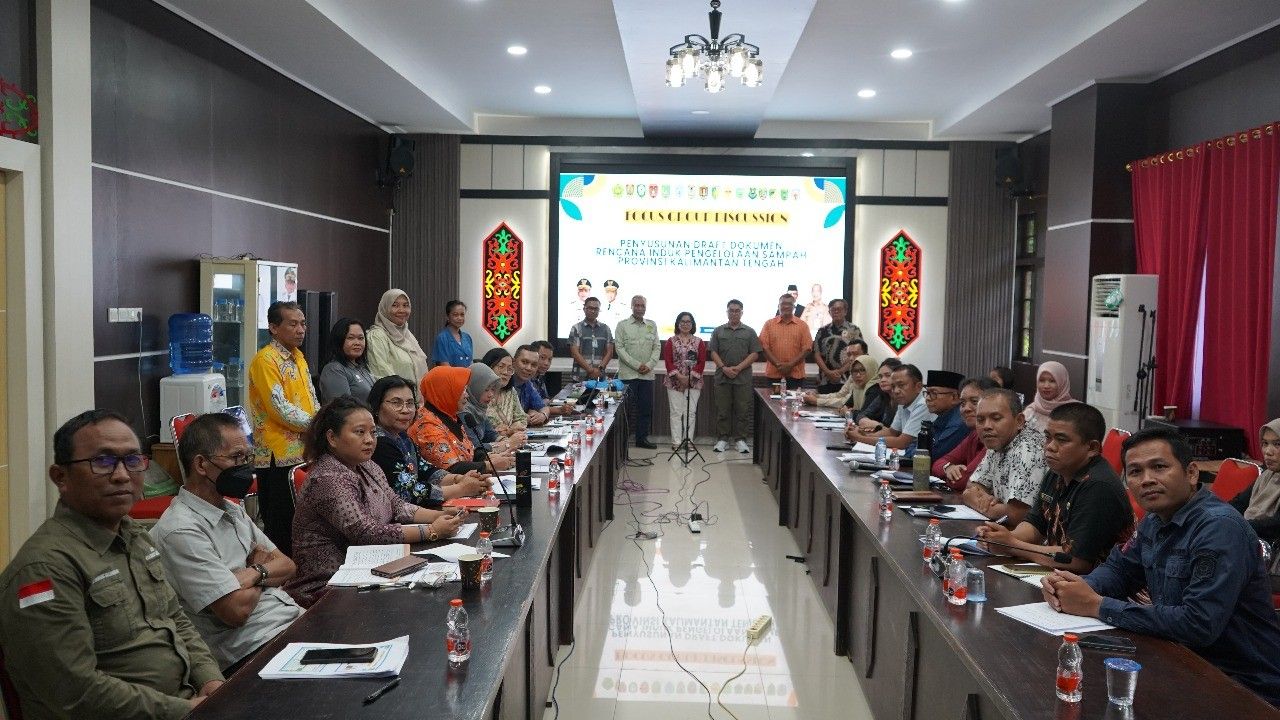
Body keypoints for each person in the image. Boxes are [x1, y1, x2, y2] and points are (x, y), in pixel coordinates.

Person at [0, 410, 224, 719]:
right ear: (61, 477)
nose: (121, 475)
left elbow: (175, 619)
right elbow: (74, 693)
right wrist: (182, 710)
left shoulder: (134, 536)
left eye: (132, 460)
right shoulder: (44, 568)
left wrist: (212, 683)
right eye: (102, 461)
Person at [1042, 426, 1280, 707]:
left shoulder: (1218, 528)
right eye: (1135, 472)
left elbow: (1198, 624)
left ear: (1191, 473)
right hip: (1181, 661)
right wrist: (1076, 588)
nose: (1147, 480)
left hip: (1242, 685)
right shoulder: (1156, 519)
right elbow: (1120, 570)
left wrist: (1098, 605)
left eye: (1159, 467)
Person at [150, 414, 302, 672]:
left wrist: (253, 573)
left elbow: (288, 566)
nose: (245, 467)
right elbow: (236, 611)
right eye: (236, 458)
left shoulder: (232, 510)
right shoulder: (181, 530)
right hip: (252, 648)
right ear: (201, 464)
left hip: (289, 620)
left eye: (246, 457)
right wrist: (261, 569)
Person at [285, 397, 465, 606]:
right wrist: (432, 531)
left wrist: (440, 515)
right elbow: (365, 532)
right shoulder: (327, 478)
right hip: (329, 584)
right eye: (360, 432)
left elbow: (396, 505)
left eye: (372, 432)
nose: (370, 440)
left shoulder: (367, 465)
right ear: (332, 438)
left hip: (373, 567)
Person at [976, 402, 1133, 572]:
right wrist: (1001, 537)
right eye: (1048, 437)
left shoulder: (1099, 486)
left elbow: (1076, 560)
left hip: (1098, 581)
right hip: (1061, 575)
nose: (1049, 446)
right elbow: (1035, 525)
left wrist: (1012, 546)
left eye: (1062, 440)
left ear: (1092, 448)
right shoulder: (1057, 472)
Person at [247, 300, 318, 556]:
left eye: (303, 324)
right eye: (293, 324)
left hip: (303, 447)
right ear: (274, 328)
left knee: (303, 518)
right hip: (277, 454)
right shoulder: (266, 360)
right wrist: (319, 425)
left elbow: (311, 398)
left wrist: (321, 419)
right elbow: (279, 408)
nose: (300, 329)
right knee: (281, 524)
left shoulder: (298, 357)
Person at [368, 375, 489, 509]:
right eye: (396, 403)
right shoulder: (379, 442)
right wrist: (461, 489)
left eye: (410, 403)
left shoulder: (402, 437)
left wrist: (459, 479)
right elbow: (409, 493)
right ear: (376, 407)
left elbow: (426, 470)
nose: (405, 410)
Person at [961, 389, 1046, 527]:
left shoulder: (1028, 449)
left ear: (1019, 421)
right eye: (980, 420)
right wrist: (986, 500)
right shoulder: (998, 441)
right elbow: (970, 489)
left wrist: (984, 504)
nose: (987, 426)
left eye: (996, 418)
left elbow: (1017, 515)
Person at [409, 366, 489, 473]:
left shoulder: (450, 416)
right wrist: (486, 466)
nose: (467, 395)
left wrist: (487, 457)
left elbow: (466, 454)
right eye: (462, 390)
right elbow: (452, 468)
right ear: (445, 391)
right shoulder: (427, 425)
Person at [708, 299, 762, 454]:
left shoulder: (750, 332)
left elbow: (755, 353)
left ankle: (741, 440)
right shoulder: (718, 331)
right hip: (722, 377)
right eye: (731, 310)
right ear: (727, 312)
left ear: (741, 312)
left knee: (742, 410)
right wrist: (724, 368)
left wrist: (738, 368)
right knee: (722, 410)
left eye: (737, 310)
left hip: (743, 378)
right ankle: (723, 439)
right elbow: (713, 352)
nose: (734, 313)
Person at [846, 364, 934, 457]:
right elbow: (892, 432)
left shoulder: (923, 404)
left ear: (918, 387)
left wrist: (859, 438)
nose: (896, 391)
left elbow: (902, 442)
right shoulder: (904, 401)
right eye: (893, 386)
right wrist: (862, 434)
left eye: (901, 385)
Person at [932, 377, 998, 491]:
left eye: (974, 402)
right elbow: (937, 464)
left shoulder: (994, 437)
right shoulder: (974, 435)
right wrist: (948, 468)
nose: (966, 409)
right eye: (962, 403)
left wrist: (951, 476)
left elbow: (962, 482)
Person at [614, 295, 661, 449]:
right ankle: (622, 441)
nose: (640, 308)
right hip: (628, 376)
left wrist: (649, 365)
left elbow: (657, 347)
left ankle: (641, 439)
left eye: (642, 306)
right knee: (625, 410)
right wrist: (636, 365)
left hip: (646, 375)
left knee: (645, 409)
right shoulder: (622, 325)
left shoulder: (652, 325)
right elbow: (619, 348)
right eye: (637, 305)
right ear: (632, 306)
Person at [1230, 418, 1280, 545]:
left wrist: (1238, 526)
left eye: (1277, 444)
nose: (1268, 452)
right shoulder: (1267, 475)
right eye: (1265, 443)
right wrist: (1217, 514)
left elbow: (1275, 525)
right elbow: (1239, 502)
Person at [459, 362, 518, 470]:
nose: (491, 394)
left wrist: (506, 442)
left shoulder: (479, 408)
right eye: (486, 389)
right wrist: (507, 444)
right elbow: (474, 447)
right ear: (473, 387)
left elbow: (490, 433)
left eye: (493, 389)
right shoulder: (464, 413)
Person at [663, 311, 707, 450]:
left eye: (688, 322)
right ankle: (676, 442)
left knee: (690, 413)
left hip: (693, 382)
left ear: (692, 324)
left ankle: (688, 441)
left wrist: (689, 378)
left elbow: (701, 362)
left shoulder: (699, 342)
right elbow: (668, 361)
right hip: (674, 382)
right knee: (676, 412)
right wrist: (680, 378)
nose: (685, 324)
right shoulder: (671, 341)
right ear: (678, 324)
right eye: (682, 321)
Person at [365, 289, 430, 382]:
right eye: (395, 305)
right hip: (394, 391)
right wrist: (405, 390)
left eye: (405, 305)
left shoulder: (408, 335)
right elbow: (382, 375)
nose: (401, 310)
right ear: (385, 308)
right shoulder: (376, 337)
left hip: (417, 391)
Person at [759, 292, 813, 391]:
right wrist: (778, 365)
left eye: (789, 304)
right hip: (774, 375)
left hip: (796, 376)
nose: (786, 306)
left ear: (794, 307)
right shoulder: (769, 324)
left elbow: (807, 348)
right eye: (783, 304)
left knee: (795, 401)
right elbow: (764, 347)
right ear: (778, 306)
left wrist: (790, 365)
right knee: (773, 400)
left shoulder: (803, 325)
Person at [318, 317, 374, 403]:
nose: (357, 343)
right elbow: (342, 407)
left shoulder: (362, 368)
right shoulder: (334, 369)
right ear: (339, 340)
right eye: (351, 338)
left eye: (361, 338)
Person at [812, 299, 862, 393]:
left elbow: (858, 354)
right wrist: (828, 372)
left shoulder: (854, 330)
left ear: (845, 311)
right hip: (825, 380)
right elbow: (816, 354)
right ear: (829, 312)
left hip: (847, 379)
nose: (836, 312)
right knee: (823, 401)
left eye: (839, 309)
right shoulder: (822, 331)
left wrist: (840, 371)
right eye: (833, 309)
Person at [802, 352, 877, 410]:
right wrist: (817, 396)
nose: (851, 358)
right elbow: (841, 397)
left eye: (863, 370)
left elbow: (843, 403)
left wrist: (817, 401)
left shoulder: (874, 390)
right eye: (849, 355)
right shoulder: (857, 385)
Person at [481, 348, 529, 434]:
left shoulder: (510, 392)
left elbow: (522, 418)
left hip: (512, 439)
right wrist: (508, 431)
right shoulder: (478, 392)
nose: (506, 372)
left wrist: (515, 427)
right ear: (488, 367)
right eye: (501, 367)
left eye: (510, 369)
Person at [923, 370, 968, 458]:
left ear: (955, 397)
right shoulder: (943, 416)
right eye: (927, 393)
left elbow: (934, 454)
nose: (927, 398)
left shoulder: (958, 423)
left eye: (934, 393)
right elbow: (919, 445)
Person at [568, 296, 614, 382]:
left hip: (599, 376)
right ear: (584, 309)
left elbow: (609, 352)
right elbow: (575, 353)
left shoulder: (606, 329)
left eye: (596, 309)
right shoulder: (576, 328)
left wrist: (599, 369)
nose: (593, 311)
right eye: (590, 308)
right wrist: (591, 370)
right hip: (580, 376)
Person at [1023, 360, 1074, 427]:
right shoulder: (1031, 411)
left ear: (1062, 383)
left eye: (1052, 381)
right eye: (1042, 380)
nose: (1046, 386)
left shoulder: (1074, 412)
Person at [511, 344, 551, 427]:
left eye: (534, 365)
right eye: (524, 362)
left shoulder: (528, 384)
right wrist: (525, 416)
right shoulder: (504, 383)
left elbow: (544, 408)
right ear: (513, 362)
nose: (529, 368)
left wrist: (542, 415)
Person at [853, 357, 901, 425]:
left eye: (888, 375)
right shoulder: (883, 396)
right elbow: (861, 415)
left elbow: (896, 430)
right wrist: (873, 424)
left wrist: (876, 426)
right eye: (880, 377)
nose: (882, 380)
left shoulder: (903, 399)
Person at [431, 300, 474, 369]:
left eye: (462, 315)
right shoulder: (442, 338)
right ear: (448, 317)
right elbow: (445, 367)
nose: (459, 318)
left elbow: (471, 363)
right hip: (449, 375)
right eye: (455, 315)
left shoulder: (467, 337)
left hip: (468, 375)